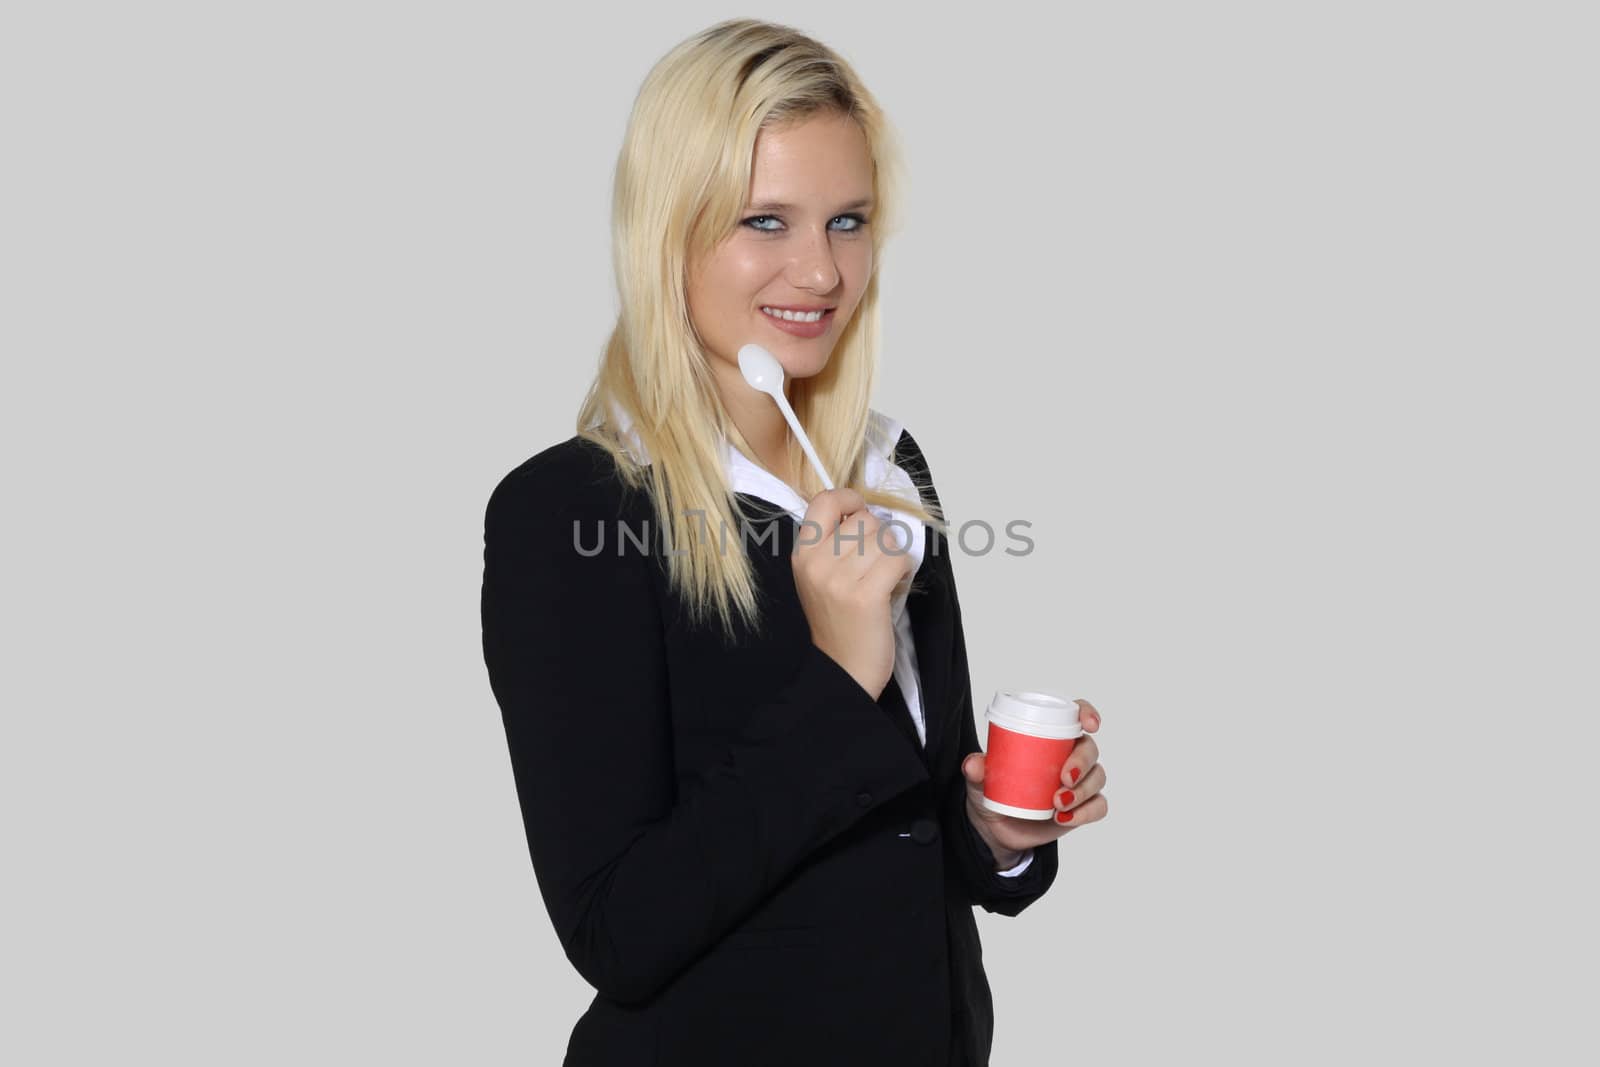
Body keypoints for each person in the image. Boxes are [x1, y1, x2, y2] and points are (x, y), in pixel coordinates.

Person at [480, 18, 1109, 1066]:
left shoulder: (888, 466)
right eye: (764, 221)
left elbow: (896, 840)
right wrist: (838, 673)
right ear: (667, 231)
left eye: (847, 220)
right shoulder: (570, 510)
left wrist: (996, 836)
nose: (819, 270)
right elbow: (616, 930)